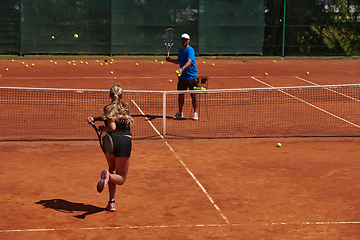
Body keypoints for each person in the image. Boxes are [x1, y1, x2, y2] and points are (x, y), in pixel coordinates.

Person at [87, 84, 133, 212]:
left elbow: (110, 122)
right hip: (124, 142)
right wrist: (103, 126)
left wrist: (97, 123)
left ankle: (111, 203)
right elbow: (112, 125)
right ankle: (108, 177)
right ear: (122, 95)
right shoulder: (125, 108)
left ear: (110, 95)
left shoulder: (108, 108)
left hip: (111, 142)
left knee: (112, 170)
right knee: (121, 178)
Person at [166, 33, 199, 120]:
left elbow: (189, 62)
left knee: (193, 95)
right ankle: (180, 112)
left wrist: (181, 69)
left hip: (192, 76)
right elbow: (179, 61)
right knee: (181, 95)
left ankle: (195, 113)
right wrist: (170, 60)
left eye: (185, 39)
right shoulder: (180, 50)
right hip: (183, 77)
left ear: (189, 40)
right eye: (182, 39)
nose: (184, 41)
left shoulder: (190, 50)